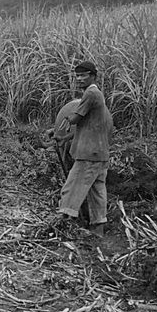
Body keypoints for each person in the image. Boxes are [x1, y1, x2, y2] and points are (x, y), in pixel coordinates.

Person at [53, 61, 112, 236]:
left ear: (93, 76)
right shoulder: (97, 96)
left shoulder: (91, 93)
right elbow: (87, 126)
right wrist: (64, 136)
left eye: (83, 75)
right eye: (77, 76)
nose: (79, 79)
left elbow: (75, 118)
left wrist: (62, 124)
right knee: (97, 191)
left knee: (73, 186)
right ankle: (98, 229)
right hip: (100, 152)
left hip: (89, 153)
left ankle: (63, 223)